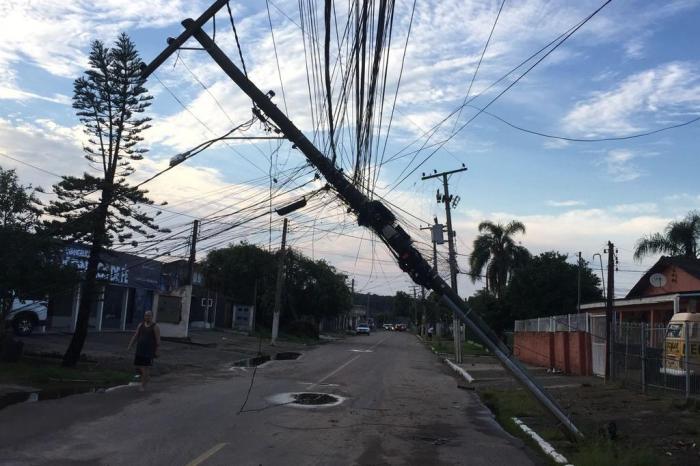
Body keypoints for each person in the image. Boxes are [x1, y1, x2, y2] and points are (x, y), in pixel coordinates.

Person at [127, 310, 160, 391]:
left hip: (148, 351)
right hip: (139, 349)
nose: (147, 317)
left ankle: (142, 385)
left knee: (145, 368)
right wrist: (130, 345)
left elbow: (158, 340)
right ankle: (146, 378)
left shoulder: (155, 326)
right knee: (139, 366)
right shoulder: (141, 325)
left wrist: (157, 350)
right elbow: (135, 336)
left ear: (152, 316)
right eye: (146, 315)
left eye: (149, 315)